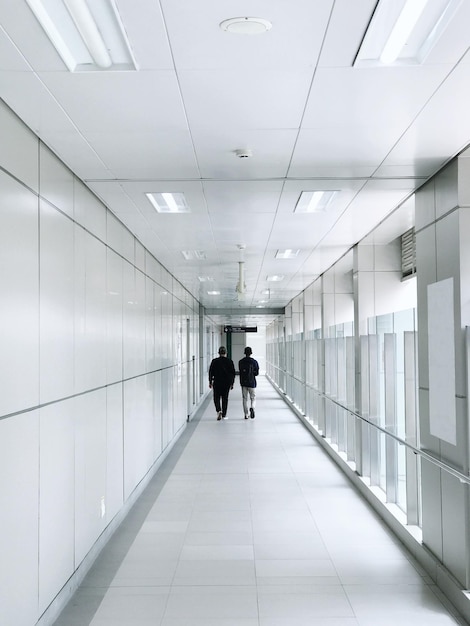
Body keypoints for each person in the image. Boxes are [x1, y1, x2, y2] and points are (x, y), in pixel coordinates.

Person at [209, 346, 235, 420]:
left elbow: (211, 372)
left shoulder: (214, 361)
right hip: (226, 383)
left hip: (217, 382)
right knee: (225, 398)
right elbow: (232, 373)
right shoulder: (230, 361)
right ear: (226, 353)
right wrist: (232, 383)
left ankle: (218, 410)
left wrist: (210, 381)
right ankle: (224, 414)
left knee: (216, 398)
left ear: (219, 353)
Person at [238, 346, 259, 419]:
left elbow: (240, 372)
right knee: (253, 398)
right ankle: (252, 407)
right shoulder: (254, 362)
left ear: (245, 353)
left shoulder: (241, 361)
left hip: (243, 383)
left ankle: (246, 414)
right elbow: (256, 373)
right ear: (251, 353)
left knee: (244, 399)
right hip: (251, 382)